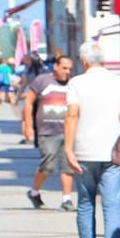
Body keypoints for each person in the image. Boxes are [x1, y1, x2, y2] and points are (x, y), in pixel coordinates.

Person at [63, 40, 120, 238]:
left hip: (84, 151)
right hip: (114, 153)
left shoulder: (76, 83)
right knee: (113, 205)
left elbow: (72, 115)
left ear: (84, 61)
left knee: (85, 203)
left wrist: (68, 149)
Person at [23, 54, 76, 210]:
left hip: (68, 131)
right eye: (64, 68)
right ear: (56, 67)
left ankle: (66, 199)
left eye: (70, 69)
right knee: (48, 165)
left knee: (68, 165)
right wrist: (27, 126)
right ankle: (34, 192)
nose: (67, 72)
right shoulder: (42, 81)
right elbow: (28, 102)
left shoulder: (73, 84)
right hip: (47, 131)